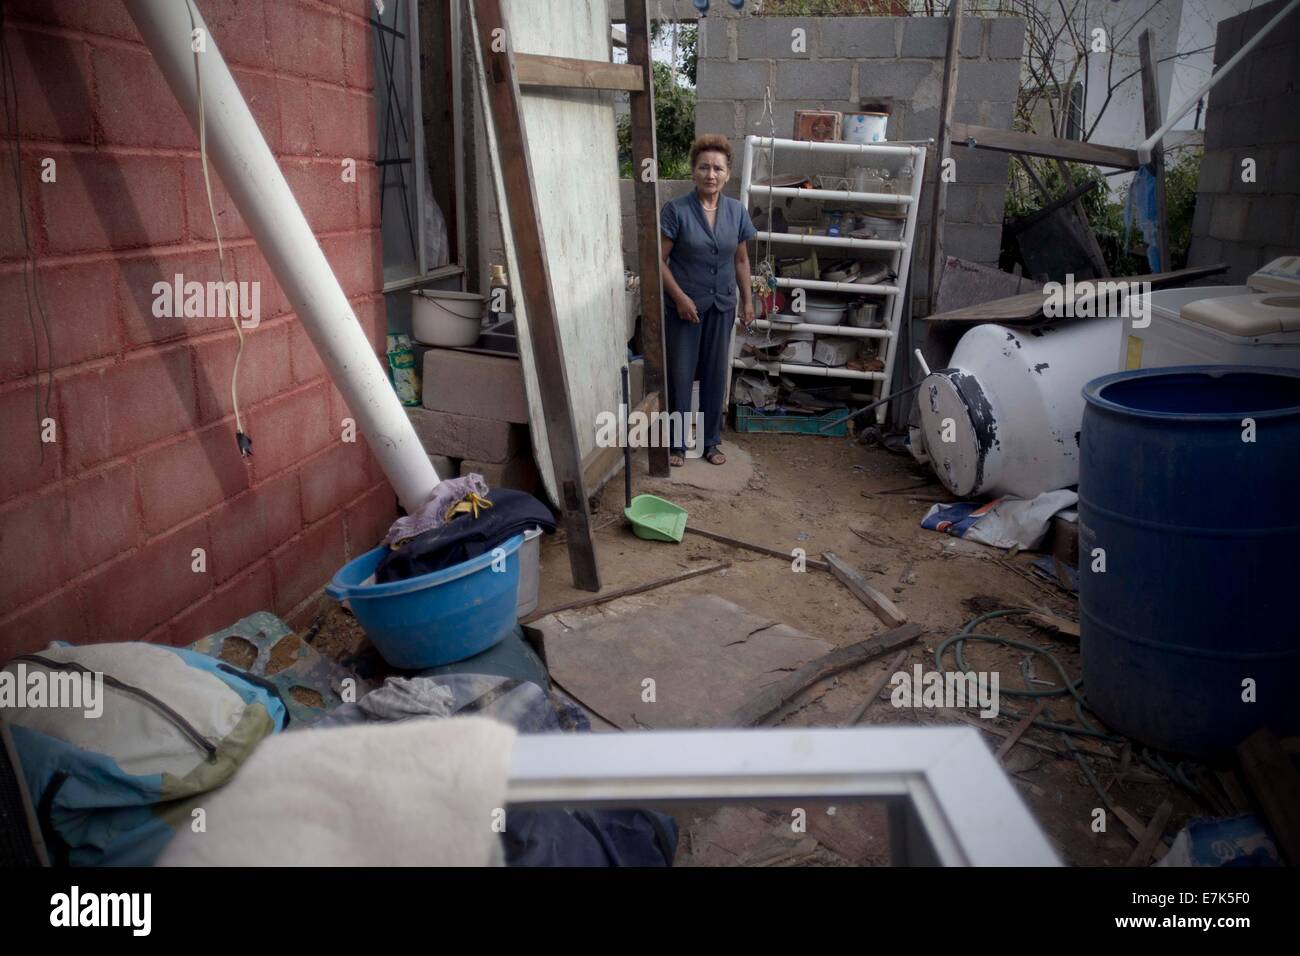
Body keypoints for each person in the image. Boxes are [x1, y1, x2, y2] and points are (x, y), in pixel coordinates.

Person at [659, 134, 757, 467]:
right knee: (681, 375)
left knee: (716, 375)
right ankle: (676, 445)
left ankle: (711, 443)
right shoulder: (677, 210)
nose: (710, 174)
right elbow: (657, 261)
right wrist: (681, 298)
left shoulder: (736, 212)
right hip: (685, 309)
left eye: (717, 168)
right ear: (694, 172)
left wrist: (747, 301)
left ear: (728, 174)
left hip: (723, 306)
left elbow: (741, 260)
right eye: (704, 167)